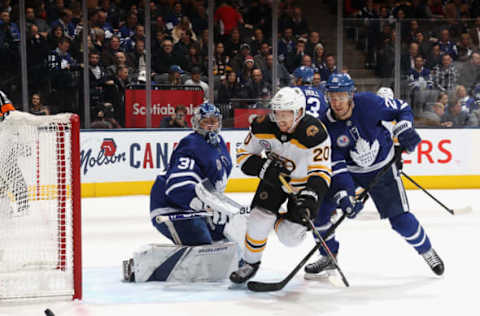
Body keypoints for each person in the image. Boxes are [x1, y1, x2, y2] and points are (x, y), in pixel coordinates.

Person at [303, 74, 445, 279]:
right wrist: (345, 195)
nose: (337, 102)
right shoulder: (325, 125)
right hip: (351, 174)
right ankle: (328, 256)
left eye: (341, 96)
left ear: (351, 94)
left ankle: (427, 251)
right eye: (332, 97)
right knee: (321, 211)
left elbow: (402, 108)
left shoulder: (370, 103)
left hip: (383, 168)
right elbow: (336, 164)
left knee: (401, 221)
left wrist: (405, 126)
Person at [124, 103, 242, 283]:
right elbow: (177, 188)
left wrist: (219, 208)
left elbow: (213, 190)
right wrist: (207, 206)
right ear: (197, 123)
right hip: (170, 208)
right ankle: (144, 265)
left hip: (198, 209)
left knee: (227, 238)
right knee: (202, 245)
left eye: (214, 121)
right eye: (205, 122)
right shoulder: (191, 144)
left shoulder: (220, 146)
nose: (211, 126)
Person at [229, 86, 332, 284]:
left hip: (302, 186)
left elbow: (321, 172)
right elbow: (243, 156)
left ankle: (277, 220)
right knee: (259, 218)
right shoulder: (262, 125)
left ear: (300, 112)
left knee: (291, 238)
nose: (281, 119)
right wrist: (264, 168)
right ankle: (250, 263)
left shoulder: (315, 133)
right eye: (278, 113)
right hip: (274, 180)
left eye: (287, 114)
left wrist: (310, 197)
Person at [0, 90, 29, 215]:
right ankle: (5, 206)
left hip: (6, 137)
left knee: (11, 171)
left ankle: (23, 205)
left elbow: (10, 115)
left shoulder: (0, 96)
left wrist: (16, 138)